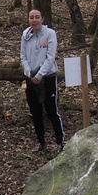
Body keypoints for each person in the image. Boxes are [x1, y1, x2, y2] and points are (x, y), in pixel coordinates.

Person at [20, 9, 65, 152]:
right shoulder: (26, 35)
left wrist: (39, 75)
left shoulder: (49, 34)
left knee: (52, 110)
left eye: (37, 17)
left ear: (42, 19)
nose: (34, 20)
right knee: (35, 111)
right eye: (31, 17)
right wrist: (28, 72)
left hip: (47, 78)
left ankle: (60, 141)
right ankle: (41, 142)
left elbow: (50, 57)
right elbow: (23, 56)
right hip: (31, 78)